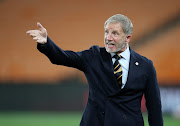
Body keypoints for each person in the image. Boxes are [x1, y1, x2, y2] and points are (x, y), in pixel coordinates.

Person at [26, 14, 163, 126]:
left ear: (127, 38)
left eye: (115, 33)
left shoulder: (145, 66)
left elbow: (154, 107)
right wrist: (47, 43)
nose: (108, 38)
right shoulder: (94, 56)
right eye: (106, 32)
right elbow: (63, 57)